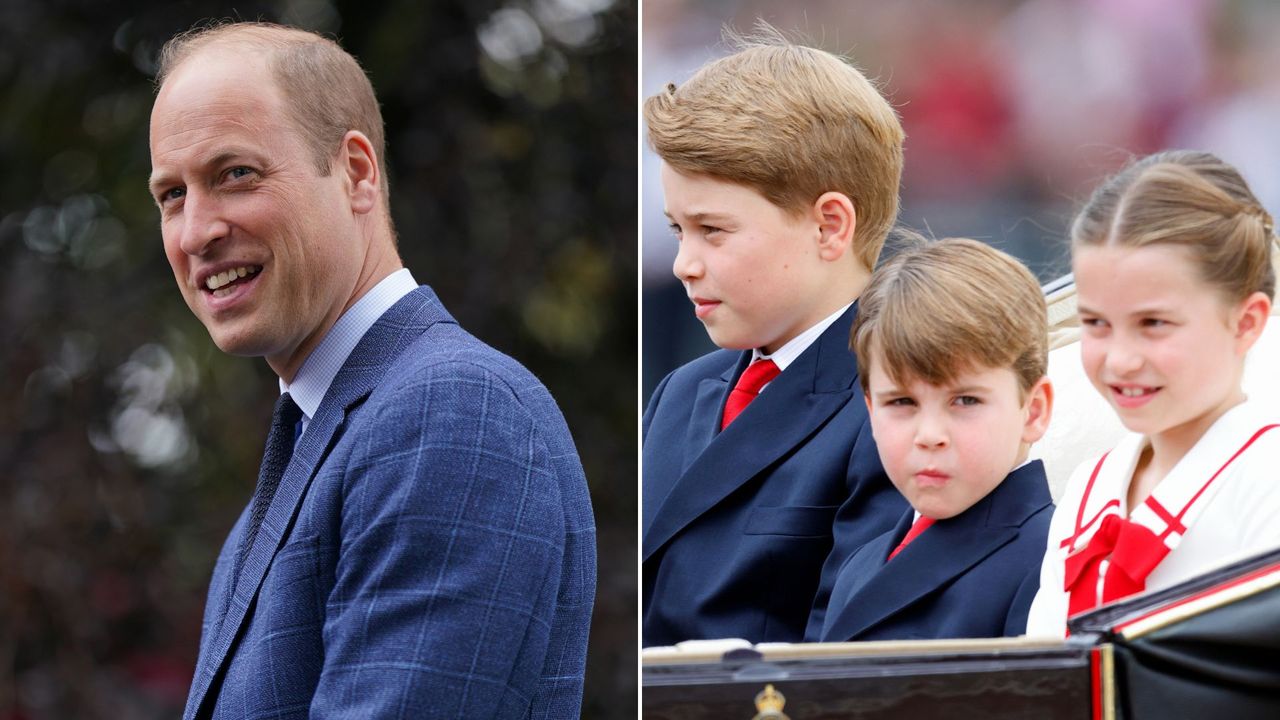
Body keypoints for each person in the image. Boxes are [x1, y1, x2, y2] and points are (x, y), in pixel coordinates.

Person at [147, 22, 595, 717]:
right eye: (172, 195)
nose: (196, 231)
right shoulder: (310, 458)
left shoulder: (455, 410)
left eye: (235, 174)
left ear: (356, 173)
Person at [641, 30, 908, 646]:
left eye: (713, 230)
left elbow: (839, 664)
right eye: (677, 229)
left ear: (830, 225)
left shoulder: (897, 398)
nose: (684, 262)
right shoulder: (681, 394)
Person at [1026, 150, 1280, 637]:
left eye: (1154, 324)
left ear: (1245, 323)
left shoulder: (1266, 482)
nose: (1120, 359)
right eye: (1095, 323)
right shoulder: (1088, 487)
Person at [812, 238, 1055, 642]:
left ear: (1033, 410)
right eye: (902, 401)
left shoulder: (1054, 564)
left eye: (965, 400)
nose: (929, 436)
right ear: (871, 411)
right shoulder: (860, 564)